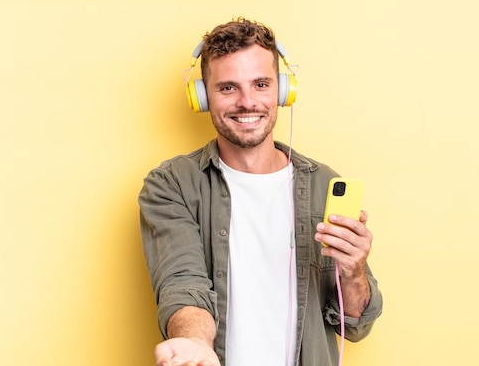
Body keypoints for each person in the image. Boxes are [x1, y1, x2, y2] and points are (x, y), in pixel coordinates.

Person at [139, 18, 382, 366]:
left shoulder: (324, 184)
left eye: (261, 84)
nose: (247, 102)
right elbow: (182, 284)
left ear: (283, 91)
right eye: (228, 88)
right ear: (203, 96)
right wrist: (194, 343)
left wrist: (354, 272)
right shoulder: (172, 184)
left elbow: (356, 324)